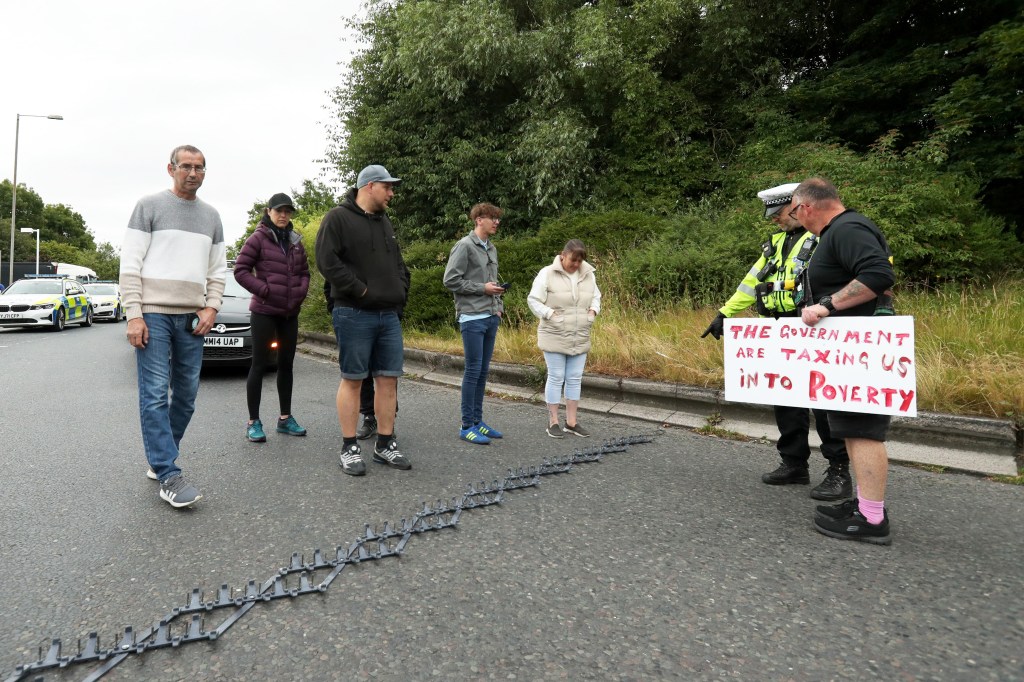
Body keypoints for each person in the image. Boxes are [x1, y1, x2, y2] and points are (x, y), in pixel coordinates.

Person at [702, 182, 851, 501]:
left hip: (817, 327)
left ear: (798, 207)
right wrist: (724, 313)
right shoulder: (776, 242)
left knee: (825, 401)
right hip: (780, 330)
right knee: (785, 397)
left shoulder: (823, 236)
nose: (775, 220)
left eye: (779, 214)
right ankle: (794, 463)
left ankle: (839, 469)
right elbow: (752, 281)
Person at [120, 145, 226, 509]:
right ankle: (167, 472)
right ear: (171, 169)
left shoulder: (211, 216)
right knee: (153, 394)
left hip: (193, 318)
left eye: (200, 167)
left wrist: (212, 307)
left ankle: (161, 455)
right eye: (186, 166)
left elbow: (217, 270)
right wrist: (134, 313)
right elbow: (130, 265)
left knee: (186, 397)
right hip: (152, 314)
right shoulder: (148, 206)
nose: (193, 173)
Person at [793, 177, 896, 545]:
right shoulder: (841, 230)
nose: (795, 219)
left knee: (863, 429)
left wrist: (827, 305)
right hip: (848, 349)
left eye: (794, 211)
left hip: (859, 350)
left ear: (806, 207)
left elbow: (878, 275)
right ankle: (865, 505)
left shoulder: (846, 228)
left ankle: (871, 520)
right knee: (852, 428)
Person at [316, 164, 411, 476]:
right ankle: (349, 447)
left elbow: (398, 263)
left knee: (388, 379)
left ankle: (385, 443)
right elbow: (326, 262)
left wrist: (400, 293)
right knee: (353, 379)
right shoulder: (337, 218)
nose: (392, 193)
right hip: (353, 312)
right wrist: (361, 291)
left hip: (388, 315)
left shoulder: (385, 222)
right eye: (388, 187)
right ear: (370, 186)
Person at [233, 192, 311, 442]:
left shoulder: (296, 241)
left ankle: (285, 419)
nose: (283, 215)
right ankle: (253, 422)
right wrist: (264, 290)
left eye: (287, 211)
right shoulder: (257, 238)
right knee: (258, 365)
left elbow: (305, 273)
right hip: (264, 312)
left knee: (286, 366)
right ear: (269, 211)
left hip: (289, 313)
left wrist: (299, 294)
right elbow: (241, 270)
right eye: (279, 211)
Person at [442, 203, 507, 445]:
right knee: (472, 372)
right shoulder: (464, 246)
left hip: (490, 317)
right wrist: (482, 289)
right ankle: (466, 426)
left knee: (482, 372)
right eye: (492, 218)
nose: (496, 222)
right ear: (479, 220)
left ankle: (478, 422)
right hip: (472, 318)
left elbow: (493, 281)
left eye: (497, 219)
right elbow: (450, 280)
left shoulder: (491, 248)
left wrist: (498, 308)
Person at [527, 239, 601, 438]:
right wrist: (550, 314)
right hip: (555, 333)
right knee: (556, 376)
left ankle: (572, 422)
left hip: (580, 333)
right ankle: (553, 422)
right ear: (563, 255)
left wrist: (593, 311)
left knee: (575, 378)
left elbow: (596, 296)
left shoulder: (588, 274)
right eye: (572, 260)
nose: (576, 264)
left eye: (579, 261)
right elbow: (533, 300)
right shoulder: (547, 273)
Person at [323, 279, 396, 440]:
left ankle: (388, 425)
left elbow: (401, 274)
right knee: (359, 375)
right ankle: (369, 417)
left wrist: (397, 308)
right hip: (352, 316)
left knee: (387, 375)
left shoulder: (386, 253)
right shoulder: (346, 255)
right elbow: (331, 282)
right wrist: (335, 309)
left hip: (385, 314)